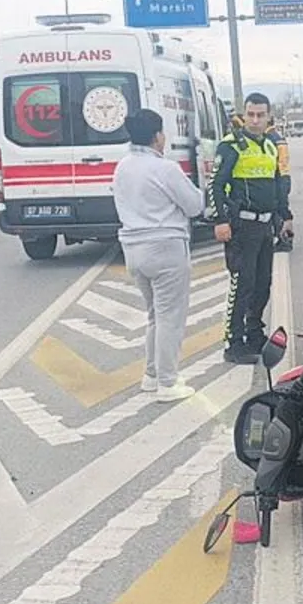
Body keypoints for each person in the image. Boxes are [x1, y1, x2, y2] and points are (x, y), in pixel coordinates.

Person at [113, 108, 206, 401]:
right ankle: (168, 382)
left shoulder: (122, 167)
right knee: (170, 317)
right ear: (156, 137)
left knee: (154, 315)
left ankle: (151, 375)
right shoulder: (165, 169)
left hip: (133, 249)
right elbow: (194, 206)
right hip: (165, 248)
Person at [210, 93, 293, 364]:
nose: (255, 120)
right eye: (251, 115)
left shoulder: (269, 146)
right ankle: (234, 343)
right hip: (241, 226)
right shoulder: (231, 145)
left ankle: (255, 334)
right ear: (244, 115)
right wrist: (220, 220)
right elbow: (216, 185)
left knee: (262, 285)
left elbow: (277, 183)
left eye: (260, 115)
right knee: (241, 284)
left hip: (265, 225)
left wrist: (285, 216)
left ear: (269, 116)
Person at [266, 116, 294, 252]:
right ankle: (284, 238)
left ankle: (285, 240)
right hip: (284, 175)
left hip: (278, 177)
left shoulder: (269, 138)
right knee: (281, 207)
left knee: (279, 209)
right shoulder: (277, 137)